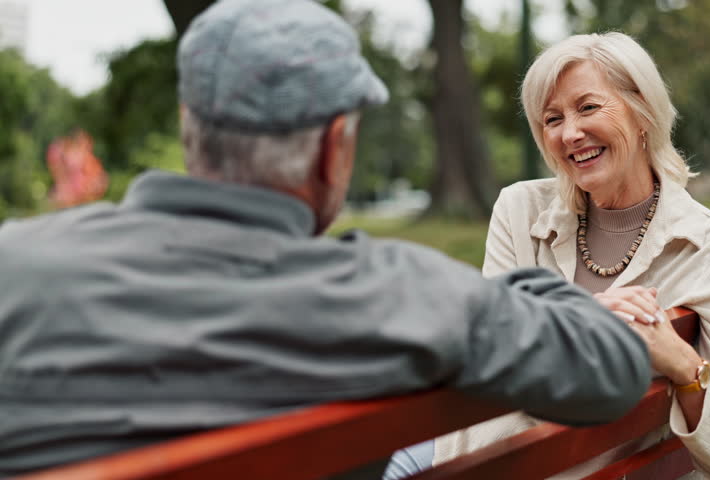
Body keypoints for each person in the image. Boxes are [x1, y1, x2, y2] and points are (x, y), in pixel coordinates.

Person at [0, 2, 654, 477]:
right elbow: (613, 366)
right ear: (334, 149)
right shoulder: (396, 293)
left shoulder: (15, 264)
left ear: (189, 126)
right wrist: (522, 292)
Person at [432, 33, 710, 480]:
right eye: (552, 119)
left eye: (588, 107)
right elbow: (482, 353)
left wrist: (685, 366)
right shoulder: (519, 211)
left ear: (643, 112)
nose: (570, 133)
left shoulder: (707, 250)